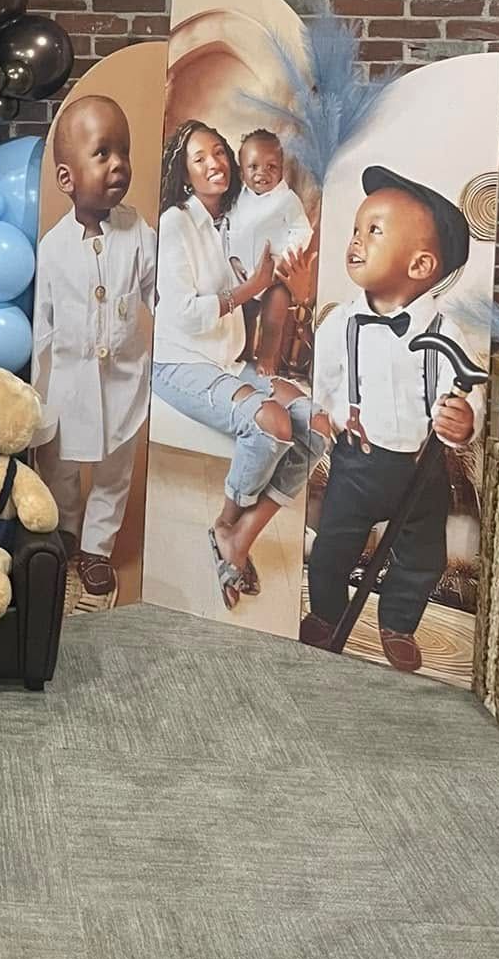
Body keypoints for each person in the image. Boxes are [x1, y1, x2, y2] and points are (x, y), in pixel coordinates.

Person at [303, 167, 482, 673]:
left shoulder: (446, 332)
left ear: (421, 264)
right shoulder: (341, 324)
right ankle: (326, 614)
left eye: (374, 231)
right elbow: (326, 382)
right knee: (334, 545)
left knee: (423, 555)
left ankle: (398, 621)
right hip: (357, 461)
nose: (356, 241)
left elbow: (466, 388)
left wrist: (463, 418)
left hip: (421, 468)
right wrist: (330, 415)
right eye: (357, 230)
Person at [152, 119, 329, 610]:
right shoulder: (175, 223)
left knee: (317, 426)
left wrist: (290, 286)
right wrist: (251, 289)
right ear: (185, 175)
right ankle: (227, 522)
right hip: (178, 361)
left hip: (228, 360)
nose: (215, 164)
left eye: (219, 153)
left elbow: (278, 277)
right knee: (272, 426)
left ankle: (240, 535)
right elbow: (184, 313)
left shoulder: (235, 217)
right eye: (200, 158)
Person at [31, 94, 157, 605]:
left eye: (123, 152)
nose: (118, 165)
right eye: (102, 153)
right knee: (59, 465)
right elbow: (42, 327)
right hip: (65, 385)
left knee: (114, 470)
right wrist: (37, 395)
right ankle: (64, 531)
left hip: (124, 382)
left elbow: (160, 297)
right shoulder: (53, 249)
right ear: (67, 178)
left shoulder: (141, 235)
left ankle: (98, 548)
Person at [223, 129, 314, 374]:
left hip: (275, 275)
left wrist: (284, 261)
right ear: (242, 171)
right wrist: (232, 260)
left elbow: (302, 230)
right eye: (253, 167)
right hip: (243, 273)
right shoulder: (238, 198)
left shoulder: (286, 199)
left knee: (274, 318)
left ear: (282, 169)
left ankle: (267, 359)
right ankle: (242, 355)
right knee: (245, 316)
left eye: (271, 167)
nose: (262, 173)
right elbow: (227, 228)